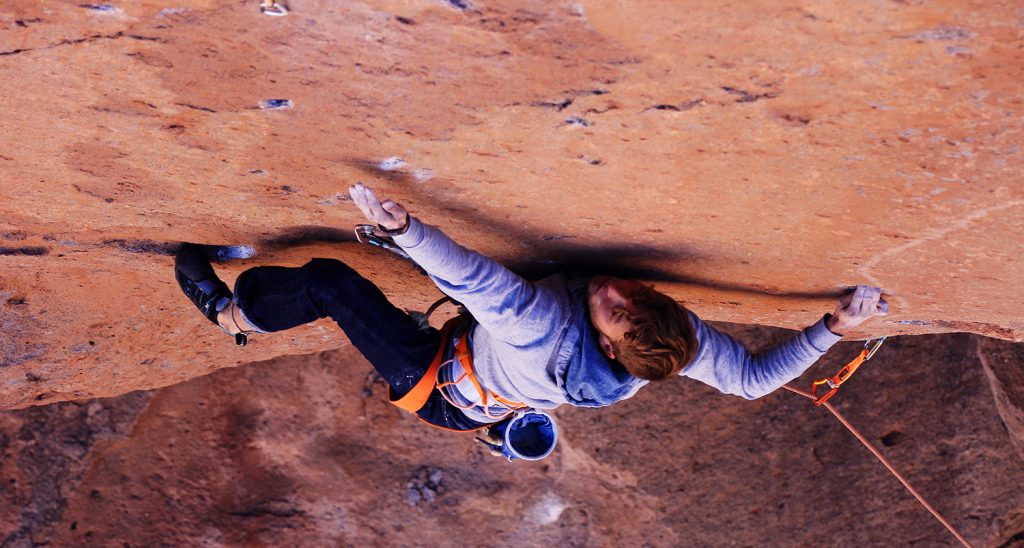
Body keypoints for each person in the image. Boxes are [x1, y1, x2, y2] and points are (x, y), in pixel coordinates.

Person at [174, 182, 888, 452]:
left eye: (614, 308)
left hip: (441, 385)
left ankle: (236, 315)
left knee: (332, 283)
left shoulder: (544, 325)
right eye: (634, 298)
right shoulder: (666, 340)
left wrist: (404, 229)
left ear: (605, 344)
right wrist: (835, 327)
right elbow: (754, 380)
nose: (617, 290)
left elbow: (478, 282)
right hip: (486, 372)